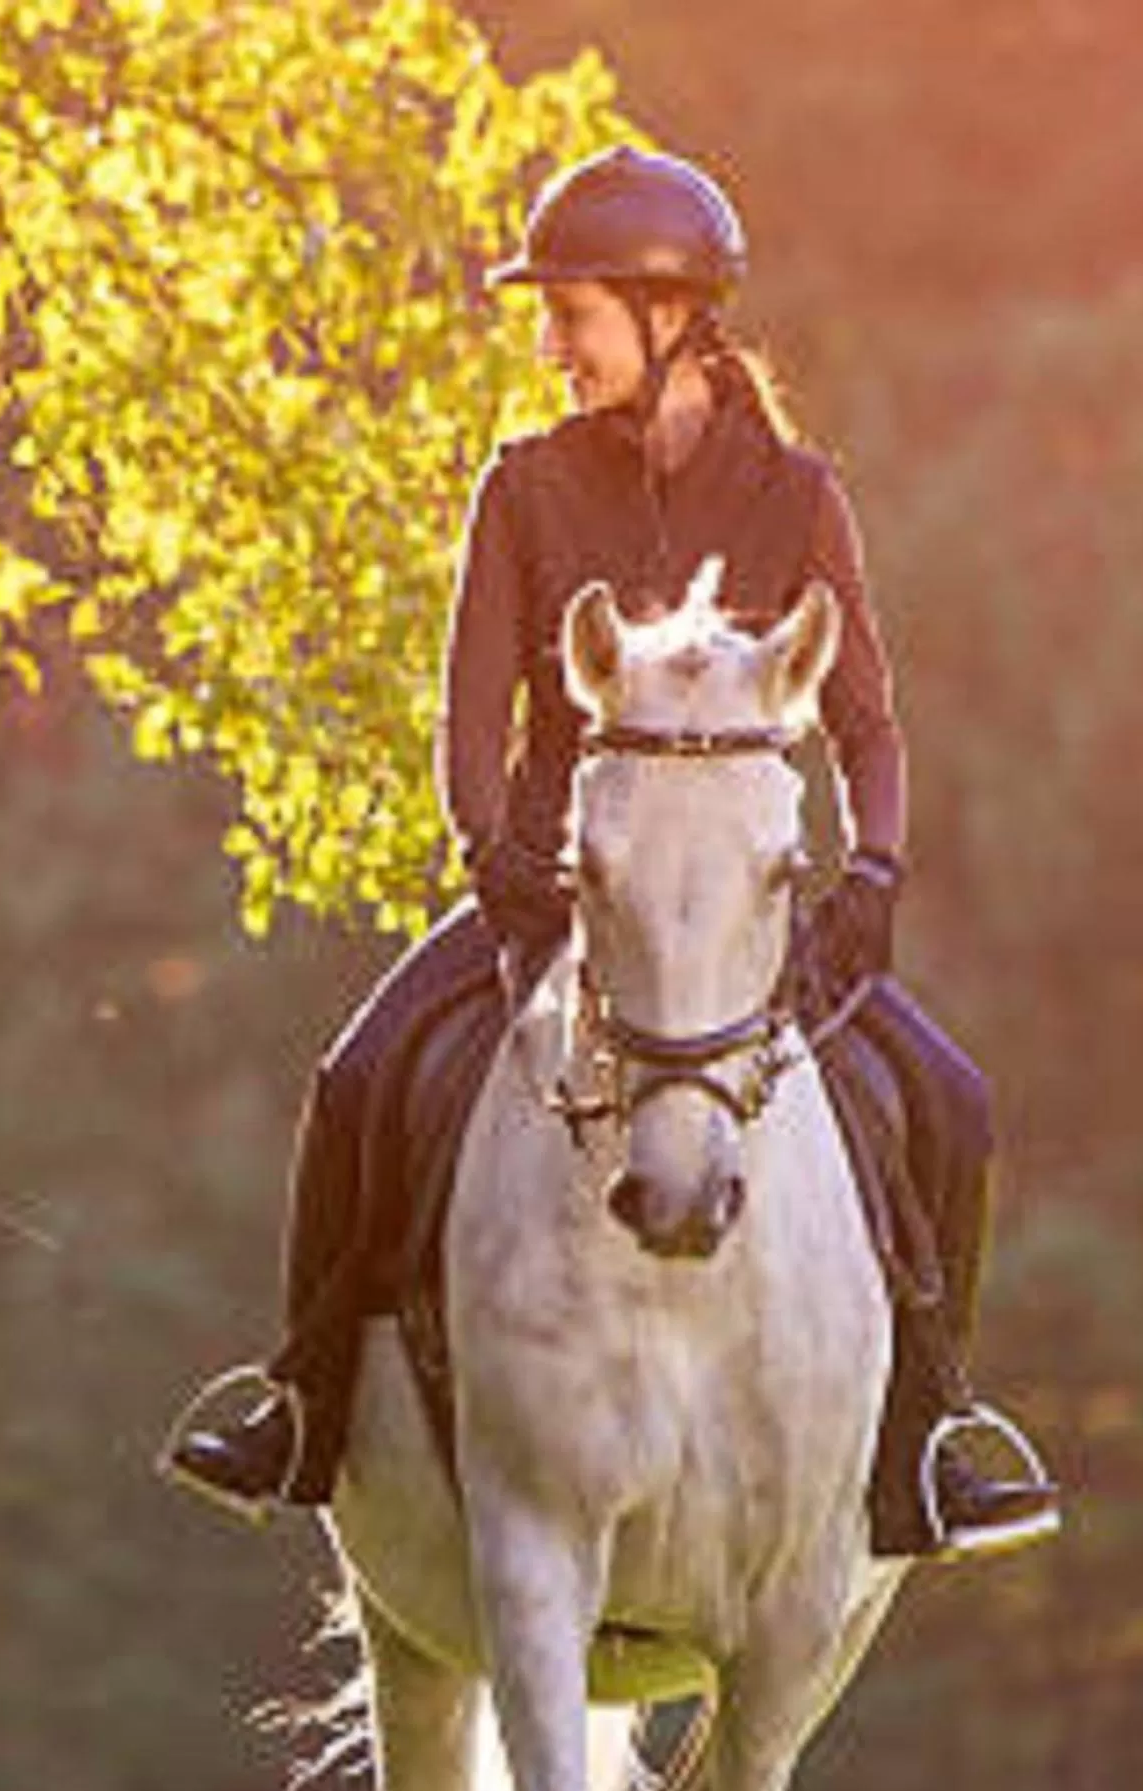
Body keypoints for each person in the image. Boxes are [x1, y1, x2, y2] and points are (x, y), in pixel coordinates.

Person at [163, 144, 1059, 1561]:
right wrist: (497, 860)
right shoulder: (522, 488)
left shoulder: (801, 499)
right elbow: (471, 722)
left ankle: (932, 1429)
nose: (549, 344)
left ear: (668, 315)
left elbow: (869, 728)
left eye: (569, 315)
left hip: (750, 922)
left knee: (947, 1099)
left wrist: (874, 871)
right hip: (552, 896)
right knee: (356, 1078)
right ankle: (306, 1396)